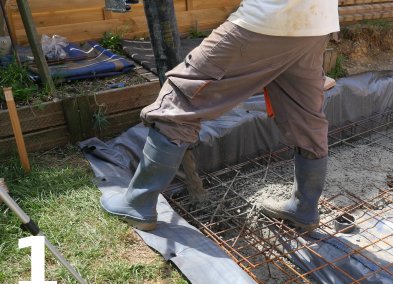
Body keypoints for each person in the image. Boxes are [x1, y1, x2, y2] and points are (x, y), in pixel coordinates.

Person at [100, 0, 340, 231]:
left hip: (267, 19)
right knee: (305, 115)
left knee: (180, 97)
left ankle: (137, 203)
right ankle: (304, 208)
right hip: (317, 23)